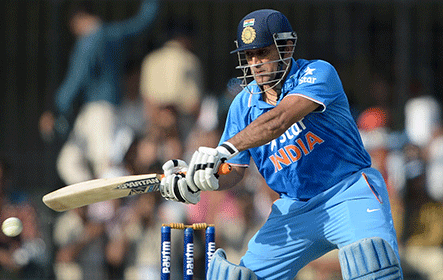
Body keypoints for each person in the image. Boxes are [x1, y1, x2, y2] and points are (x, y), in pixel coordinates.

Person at [160, 9, 403, 280]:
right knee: (236, 277)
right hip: (294, 208)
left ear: (286, 47)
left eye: (262, 52)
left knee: (374, 265)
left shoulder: (318, 73)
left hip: (348, 191)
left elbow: (279, 119)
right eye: (249, 55)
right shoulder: (243, 105)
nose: (255, 63)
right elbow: (235, 170)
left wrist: (223, 149)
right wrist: (200, 179)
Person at [39, 0, 159, 185]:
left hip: (99, 111)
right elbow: (142, 22)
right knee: (69, 161)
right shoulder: (111, 34)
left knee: (103, 164)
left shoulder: (91, 38)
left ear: (79, 20)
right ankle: (92, 202)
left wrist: (56, 109)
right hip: (97, 110)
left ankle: (105, 209)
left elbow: (76, 78)